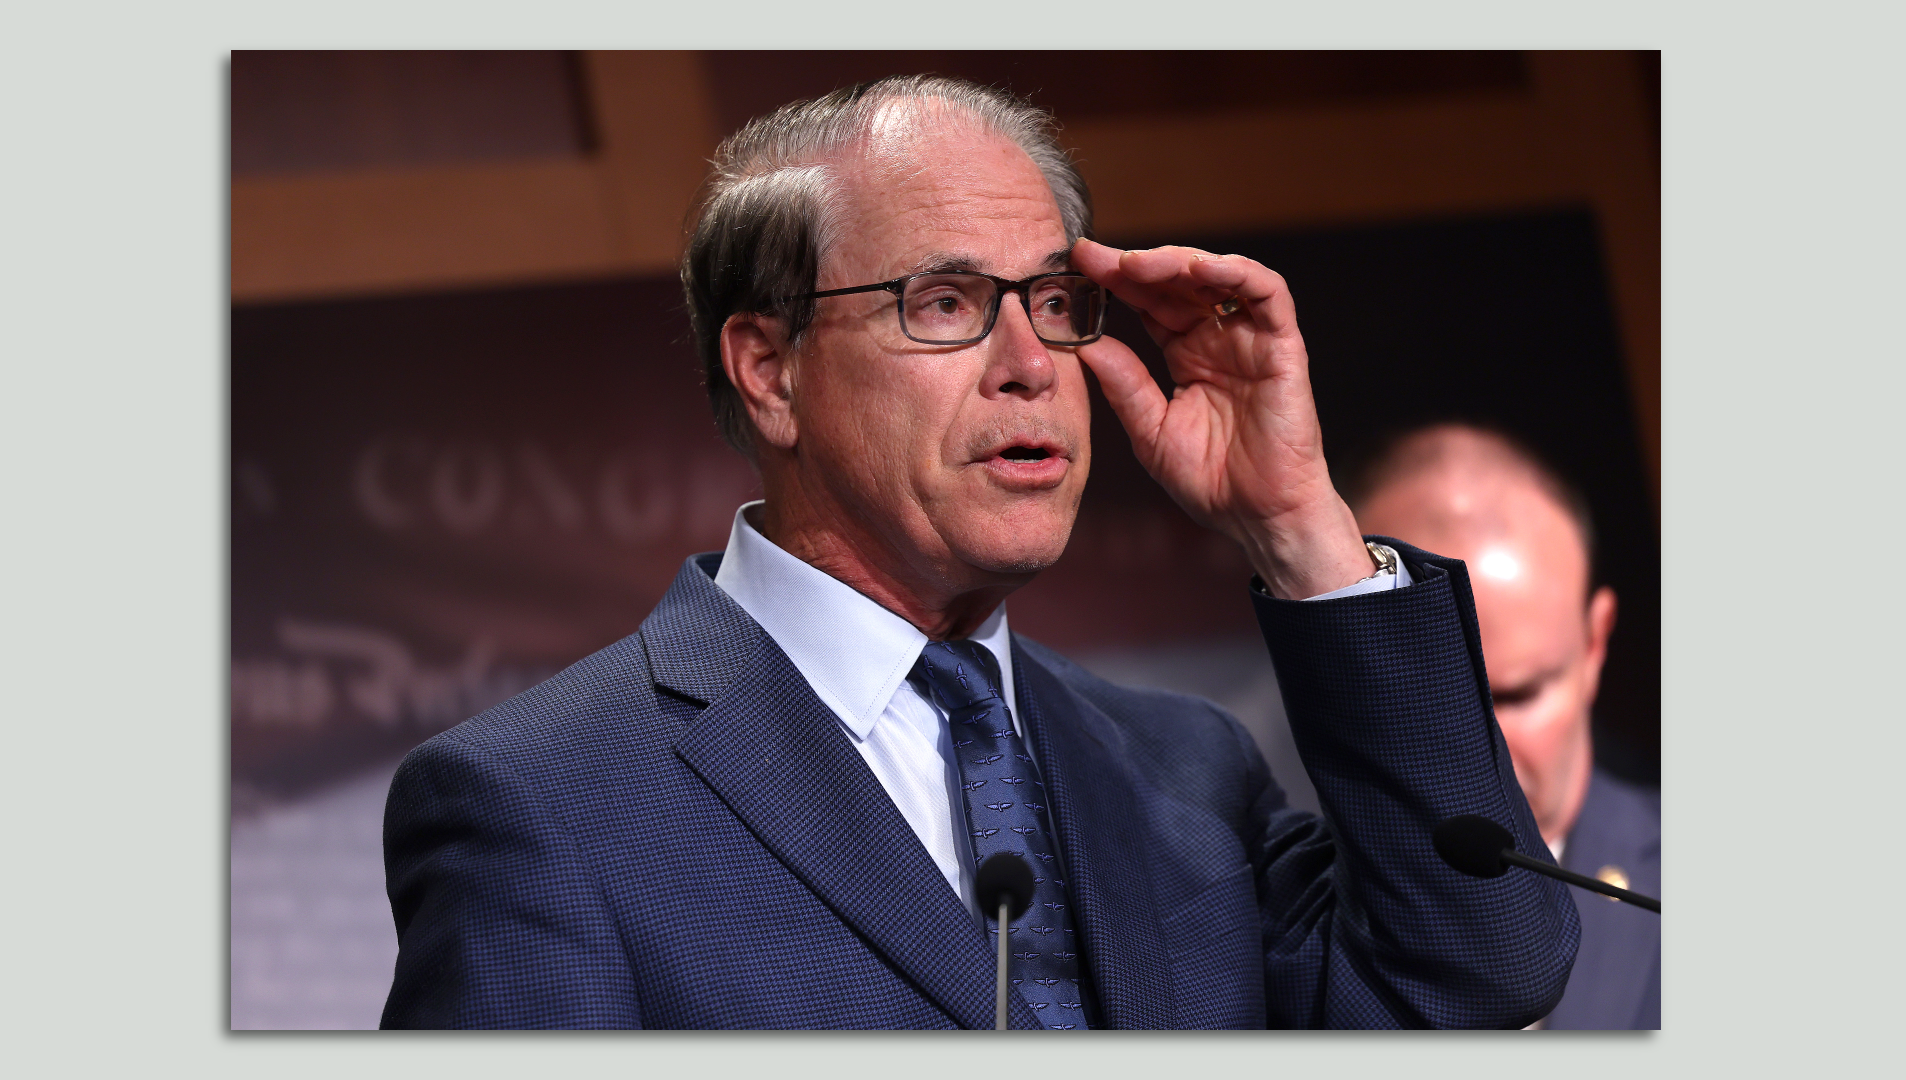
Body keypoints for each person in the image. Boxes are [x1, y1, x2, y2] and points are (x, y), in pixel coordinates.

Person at [379, 76, 1577, 1029]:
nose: (1030, 362)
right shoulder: (546, 805)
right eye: (944, 303)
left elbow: (1481, 973)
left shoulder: (1186, 770)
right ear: (769, 368)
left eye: (1055, 301)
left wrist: (1301, 532)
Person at [1351, 423, 1659, 1029]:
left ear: (1596, 645)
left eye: (1518, 695)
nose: (1478, 756)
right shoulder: (1277, 924)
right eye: (1427, 705)